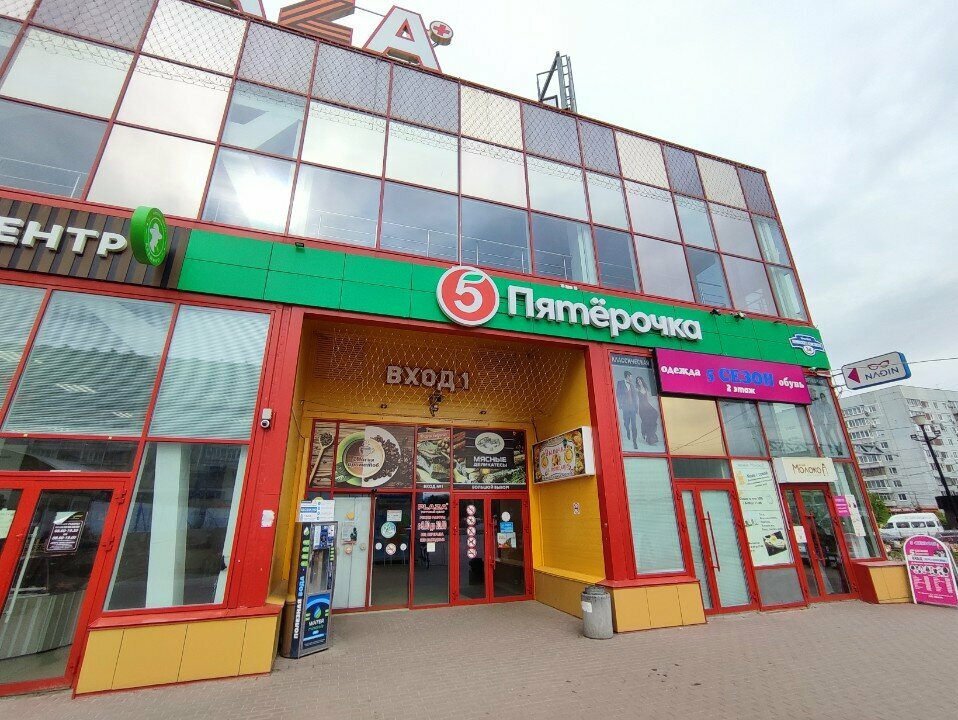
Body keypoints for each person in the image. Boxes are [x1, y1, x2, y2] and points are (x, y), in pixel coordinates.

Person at [615, 370, 640, 450]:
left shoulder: (632, 386)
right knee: (626, 423)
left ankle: (634, 442)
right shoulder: (620, 383)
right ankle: (627, 430)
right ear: (628, 376)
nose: (631, 378)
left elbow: (635, 397)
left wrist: (636, 408)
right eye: (631, 376)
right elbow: (618, 394)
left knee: (634, 425)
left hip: (632, 407)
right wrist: (621, 404)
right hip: (625, 407)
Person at [636, 376, 660, 445]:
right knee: (645, 421)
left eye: (639, 380)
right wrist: (637, 409)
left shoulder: (646, 389)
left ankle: (651, 437)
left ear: (642, 380)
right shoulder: (637, 389)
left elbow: (649, 399)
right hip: (642, 408)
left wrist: (653, 406)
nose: (638, 381)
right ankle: (645, 434)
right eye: (637, 380)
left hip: (647, 406)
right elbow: (637, 400)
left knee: (655, 414)